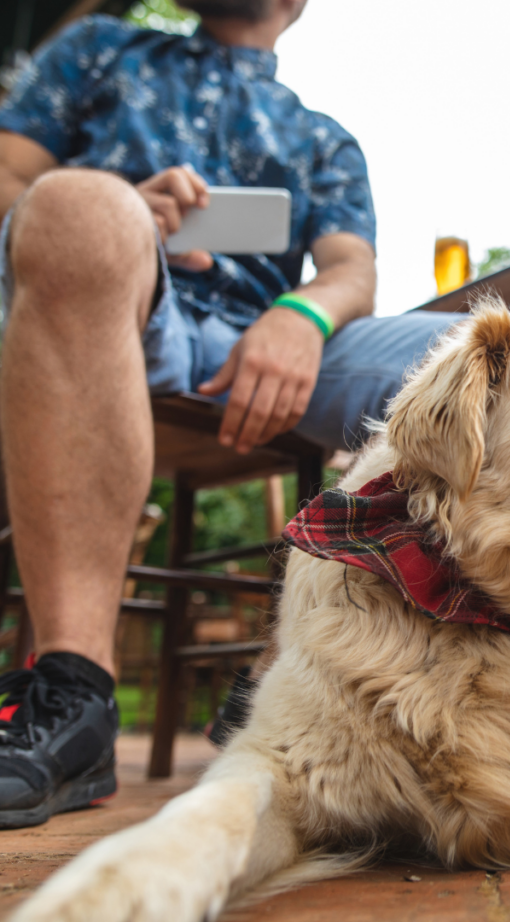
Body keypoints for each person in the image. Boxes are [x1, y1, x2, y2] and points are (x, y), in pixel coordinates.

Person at [0, 0, 460, 828]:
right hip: (126, 304)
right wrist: (124, 212)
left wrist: (304, 316)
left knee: (489, 357)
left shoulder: (323, 136)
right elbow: (7, 178)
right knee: (79, 207)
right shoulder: (99, 49)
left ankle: (341, 687)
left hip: (280, 334)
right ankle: (76, 693)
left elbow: (352, 268)